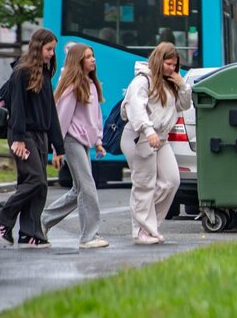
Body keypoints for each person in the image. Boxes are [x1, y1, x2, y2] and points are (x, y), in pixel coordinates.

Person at [0, 28, 66, 248]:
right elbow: (17, 107)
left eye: (53, 50)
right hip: (23, 135)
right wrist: (17, 139)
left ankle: (29, 233)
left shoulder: (44, 73)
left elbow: (51, 113)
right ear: (37, 47)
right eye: (48, 49)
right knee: (35, 179)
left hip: (40, 136)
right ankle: (2, 214)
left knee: (40, 185)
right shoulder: (21, 72)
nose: (51, 54)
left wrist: (58, 146)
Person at [121, 42, 192, 245]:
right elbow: (136, 108)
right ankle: (143, 230)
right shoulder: (142, 80)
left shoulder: (170, 82)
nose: (172, 68)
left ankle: (148, 225)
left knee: (172, 181)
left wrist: (182, 84)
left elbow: (184, 105)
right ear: (159, 61)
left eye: (175, 65)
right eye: (168, 64)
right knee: (144, 184)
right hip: (140, 136)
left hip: (160, 137)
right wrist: (148, 130)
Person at [42, 44, 109, 249]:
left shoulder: (90, 83)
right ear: (78, 61)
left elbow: (95, 117)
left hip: (83, 142)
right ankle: (88, 237)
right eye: (88, 57)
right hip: (71, 141)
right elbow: (62, 119)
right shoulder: (71, 86)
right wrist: (57, 149)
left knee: (78, 189)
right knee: (87, 188)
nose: (93, 60)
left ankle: (42, 221)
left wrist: (98, 141)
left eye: (93, 56)